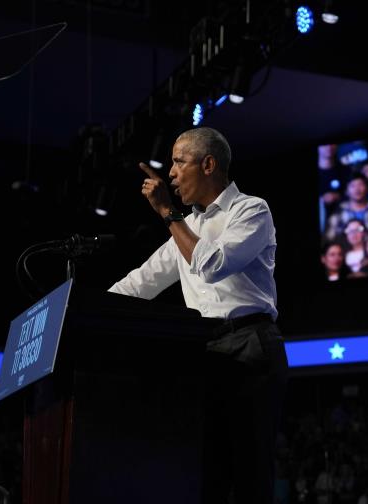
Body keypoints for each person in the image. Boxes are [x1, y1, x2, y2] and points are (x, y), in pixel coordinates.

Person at [108, 127, 288, 503]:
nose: (170, 173)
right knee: (208, 474)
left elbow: (213, 264)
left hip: (250, 346)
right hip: (205, 353)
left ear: (208, 164)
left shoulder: (251, 210)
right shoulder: (189, 226)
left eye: (178, 161)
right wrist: (77, 308)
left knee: (250, 474)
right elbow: (140, 282)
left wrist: (168, 214)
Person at [325, 174, 368, 242]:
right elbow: (330, 239)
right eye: (353, 186)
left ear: (367, 188)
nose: (357, 189)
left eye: (360, 184)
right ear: (347, 190)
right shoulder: (338, 214)